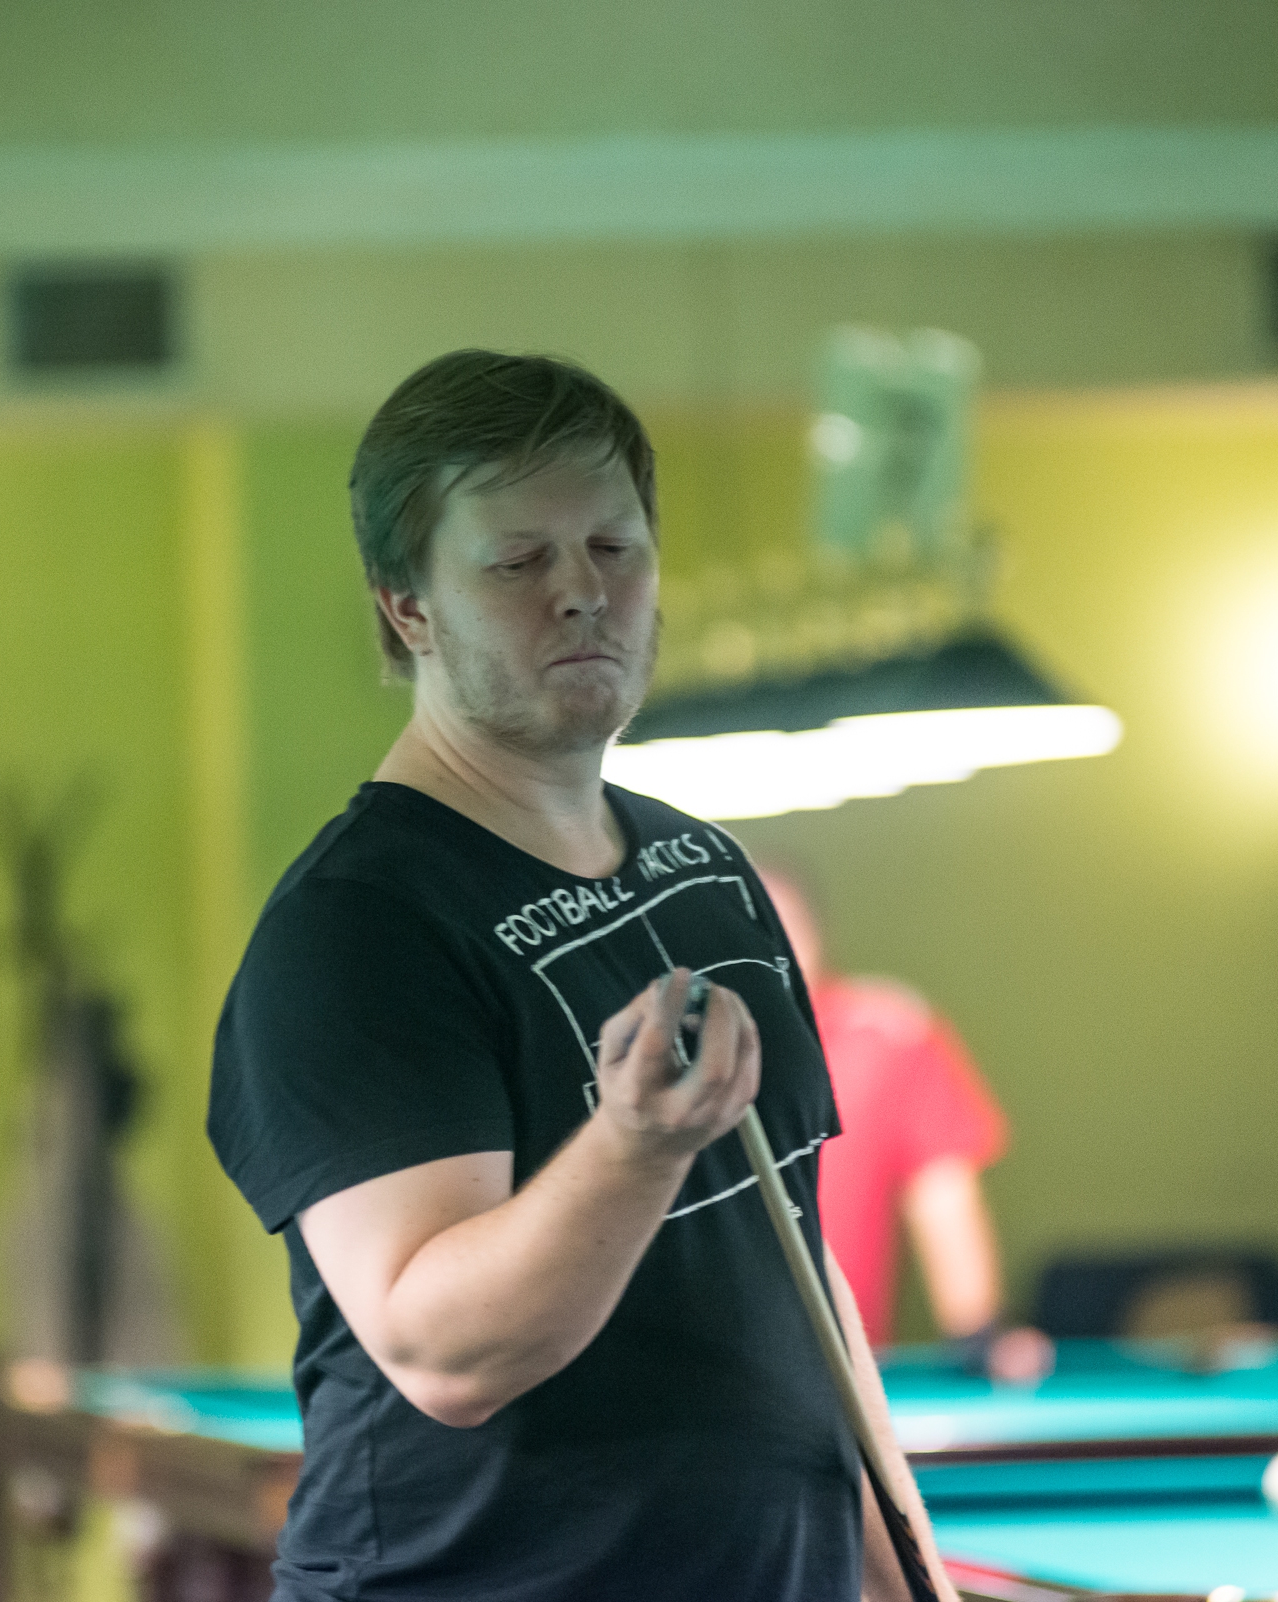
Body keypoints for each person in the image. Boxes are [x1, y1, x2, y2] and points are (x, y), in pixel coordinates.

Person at [208, 350, 955, 1602]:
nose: (582, 594)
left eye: (615, 548)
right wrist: (634, 1146)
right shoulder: (356, 927)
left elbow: (800, 1279)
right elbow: (443, 1353)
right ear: (409, 608)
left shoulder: (705, 870)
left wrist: (910, 1583)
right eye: (518, 562)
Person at [760, 873, 1052, 1386]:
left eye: (775, 924)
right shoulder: (644, 1049)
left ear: (813, 936)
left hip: (841, 1385)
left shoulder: (887, 1033)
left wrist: (981, 1337)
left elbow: (943, 1198)